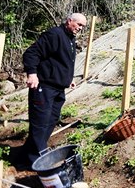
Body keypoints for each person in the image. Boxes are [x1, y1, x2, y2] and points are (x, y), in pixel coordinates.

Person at [22, 13, 87, 166]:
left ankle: (25, 157)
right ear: (69, 21)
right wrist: (32, 74)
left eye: (83, 27)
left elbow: (60, 62)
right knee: (40, 122)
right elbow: (31, 53)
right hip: (44, 87)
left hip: (58, 89)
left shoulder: (70, 39)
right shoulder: (54, 35)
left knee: (51, 120)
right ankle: (39, 161)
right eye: (79, 25)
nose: (80, 28)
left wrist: (67, 79)